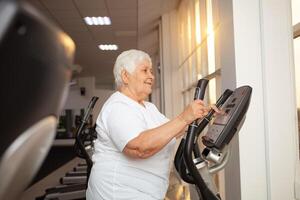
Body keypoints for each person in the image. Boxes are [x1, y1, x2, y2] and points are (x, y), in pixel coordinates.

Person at [86, 49, 217, 200]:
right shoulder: (118, 106)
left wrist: (200, 116)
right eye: (145, 70)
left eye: (151, 71)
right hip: (118, 193)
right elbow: (139, 148)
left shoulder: (148, 107)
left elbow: (173, 130)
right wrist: (184, 118)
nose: (151, 76)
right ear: (125, 76)